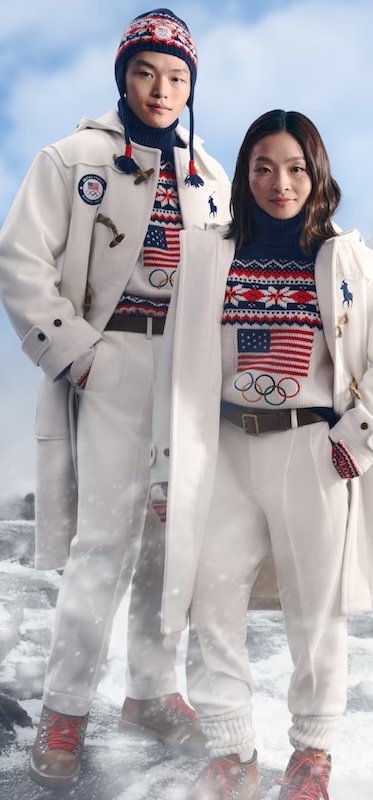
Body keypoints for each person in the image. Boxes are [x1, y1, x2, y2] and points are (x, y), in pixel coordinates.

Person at [149, 109, 373, 799]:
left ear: (317, 173)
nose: (280, 182)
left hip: (311, 448)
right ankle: (231, 747)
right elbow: (174, 369)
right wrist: (166, 465)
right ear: (243, 173)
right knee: (211, 599)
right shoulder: (207, 254)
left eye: (296, 167)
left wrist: (352, 445)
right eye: (264, 167)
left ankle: (313, 754)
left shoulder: (358, 261)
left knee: (314, 610)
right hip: (223, 446)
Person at [0, 8, 229, 787]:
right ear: (122, 77)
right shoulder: (69, 158)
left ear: (191, 86)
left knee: (175, 543)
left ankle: (149, 693)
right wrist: (80, 356)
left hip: (190, 371)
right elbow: (21, 261)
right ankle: (65, 711)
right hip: (114, 358)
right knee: (105, 543)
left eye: (177, 77)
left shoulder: (211, 174)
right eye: (146, 72)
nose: (161, 89)